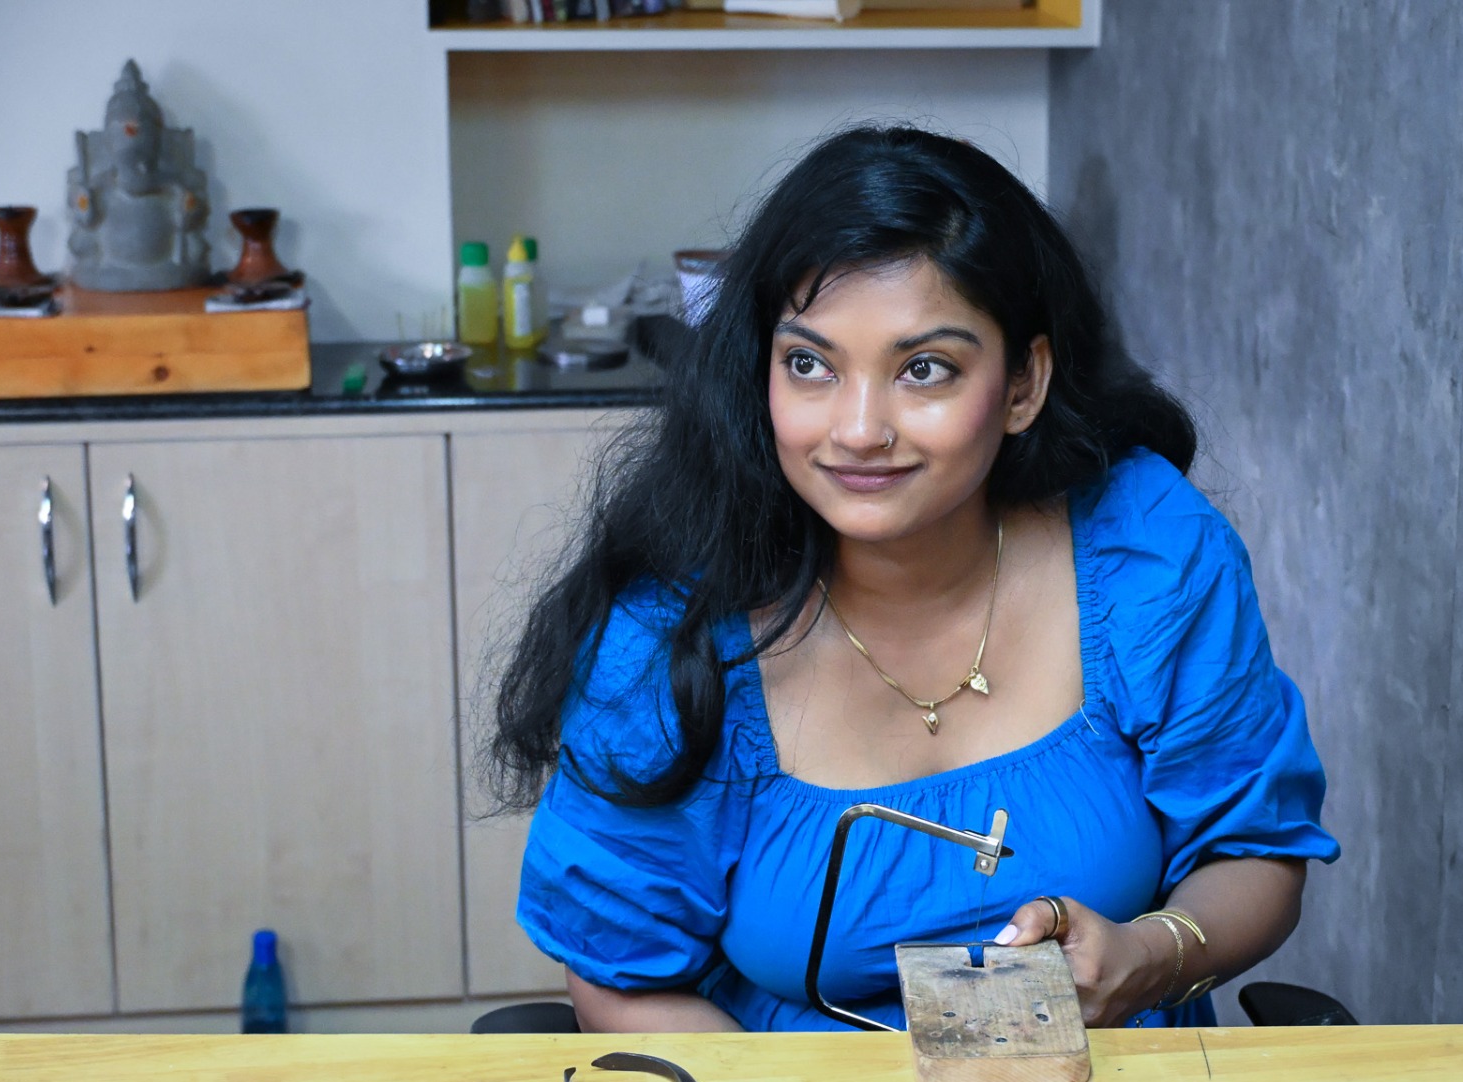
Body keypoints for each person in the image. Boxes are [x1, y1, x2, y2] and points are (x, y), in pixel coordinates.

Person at [488, 125, 1339, 1034]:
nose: (857, 429)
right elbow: (622, 979)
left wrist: (1154, 953)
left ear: (1023, 385)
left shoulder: (1149, 551)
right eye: (809, 364)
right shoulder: (666, 638)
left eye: (923, 369)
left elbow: (1253, 853)